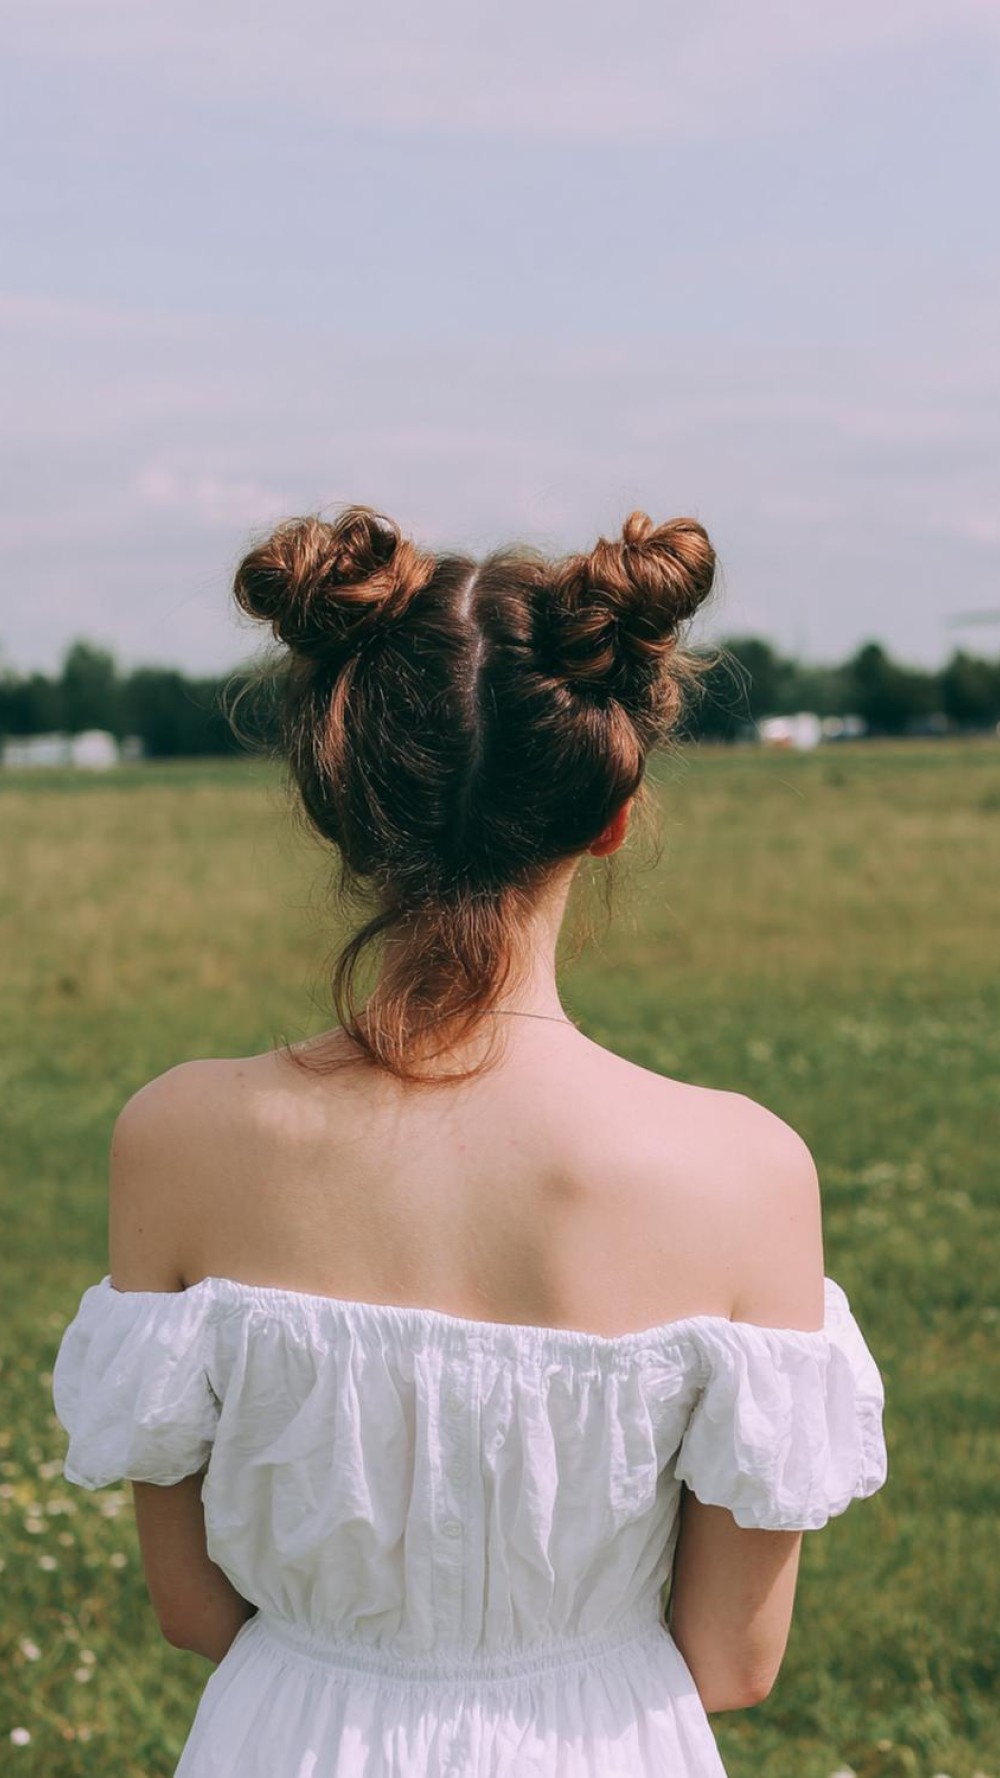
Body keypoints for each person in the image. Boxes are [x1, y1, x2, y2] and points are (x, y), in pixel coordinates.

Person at [52, 504, 888, 1778]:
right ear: (607, 816)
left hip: (288, 1737)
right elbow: (732, 1661)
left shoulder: (176, 1137)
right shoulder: (747, 1170)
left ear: (344, 810)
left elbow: (193, 1610)